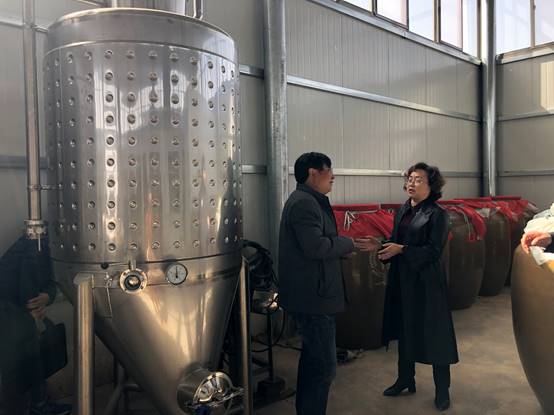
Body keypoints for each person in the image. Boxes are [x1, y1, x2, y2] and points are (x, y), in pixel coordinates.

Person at [278, 152, 379, 415]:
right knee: (324, 368)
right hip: (313, 298)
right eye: (329, 170)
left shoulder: (310, 200)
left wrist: (344, 248)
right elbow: (315, 246)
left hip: (314, 292)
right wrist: (347, 243)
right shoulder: (304, 203)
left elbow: (317, 244)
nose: (333, 176)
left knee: (313, 361)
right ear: (313, 173)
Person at [379, 162, 458, 412]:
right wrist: (380, 244)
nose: (411, 183)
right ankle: (405, 379)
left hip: (427, 284)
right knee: (405, 330)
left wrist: (402, 249)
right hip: (403, 282)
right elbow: (398, 241)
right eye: (410, 178)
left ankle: (442, 391)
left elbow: (433, 251)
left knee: (435, 336)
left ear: (431, 186)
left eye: (419, 179)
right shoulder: (404, 209)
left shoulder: (437, 214)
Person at [0, 235, 71, 415]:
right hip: (11, 324)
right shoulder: (22, 250)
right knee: (16, 374)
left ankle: (40, 403)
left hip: (23, 320)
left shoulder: (40, 245)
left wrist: (47, 296)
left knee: (36, 355)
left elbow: (49, 279)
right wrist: (26, 319)